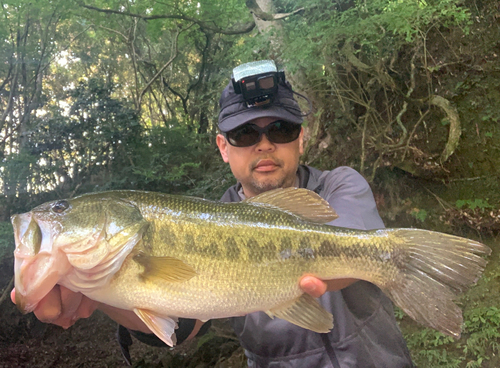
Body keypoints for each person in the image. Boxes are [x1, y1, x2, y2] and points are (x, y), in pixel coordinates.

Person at [11, 61, 414, 367]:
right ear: (223, 147)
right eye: (244, 134)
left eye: (281, 130)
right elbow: (180, 326)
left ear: (301, 139)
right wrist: (94, 294)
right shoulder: (210, 216)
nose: (264, 144)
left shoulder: (340, 185)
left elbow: (351, 240)